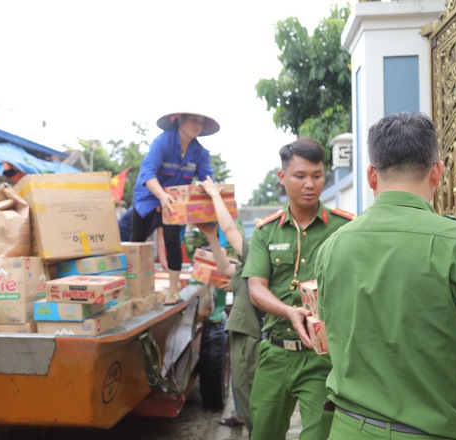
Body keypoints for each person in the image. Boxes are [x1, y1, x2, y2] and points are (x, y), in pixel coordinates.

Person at [315, 112, 456, 440]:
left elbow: (328, 336)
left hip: (347, 429)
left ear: (371, 175)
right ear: (437, 172)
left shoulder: (331, 247)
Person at [242, 138, 354, 440]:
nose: (310, 184)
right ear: (282, 178)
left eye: (317, 176)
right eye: (300, 176)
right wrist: (288, 311)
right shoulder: (267, 230)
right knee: (263, 433)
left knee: (318, 436)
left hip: (322, 357)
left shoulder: (344, 228)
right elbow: (256, 288)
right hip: (276, 353)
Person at [131, 111, 219, 305]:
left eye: (201, 122)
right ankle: (133, 288)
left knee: (172, 239)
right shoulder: (162, 142)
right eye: (193, 120)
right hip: (148, 196)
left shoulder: (200, 153)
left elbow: (207, 179)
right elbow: (147, 173)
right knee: (136, 240)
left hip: (175, 200)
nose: (197, 125)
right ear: (179, 120)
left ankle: (173, 289)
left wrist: (213, 197)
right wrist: (161, 195)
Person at [197, 176, 262, 435]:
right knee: (244, 392)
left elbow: (231, 230)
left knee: (250, 396)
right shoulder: (249, 263)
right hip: (241, 333)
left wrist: (214, 195)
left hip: (250, 335)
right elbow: (225, 268)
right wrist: (211, 237)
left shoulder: (257, 254)